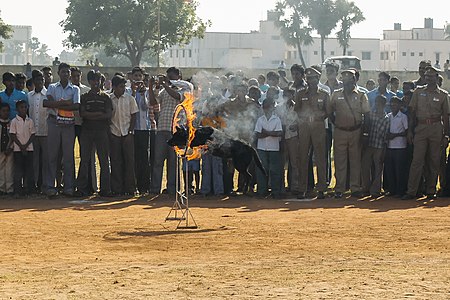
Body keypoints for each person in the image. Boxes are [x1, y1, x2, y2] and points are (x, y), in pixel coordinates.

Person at [402, 66, 449, 200]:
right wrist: (410, 131)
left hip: (436, 128)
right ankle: (412, 191)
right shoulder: (418, 92)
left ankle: (431, 190)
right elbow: (412, 112)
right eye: (426, 76)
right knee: (417, 160)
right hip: (421, 128)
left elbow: (446, 116)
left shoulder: (443, 95)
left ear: (437, 78)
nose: (428, 78)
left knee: (433, 161)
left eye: (431, 76)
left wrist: (446, 135)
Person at [327, 69, 370, 198]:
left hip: (356, 131)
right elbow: (329, 111)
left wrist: (365, 133)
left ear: (354, 80)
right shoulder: (335, 94)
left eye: (349, 80)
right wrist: (337, 124)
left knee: (355, 161)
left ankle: (355, 188)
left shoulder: (361, 95)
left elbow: (367, 114)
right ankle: (339, 188)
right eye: (344, 80)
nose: (346, 83)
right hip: (340, 131)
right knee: (340, 161)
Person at [149, 67, 193, 195]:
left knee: (173, 162)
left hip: (175, 131)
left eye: (172, 76)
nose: (170, 78)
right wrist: (151, 86)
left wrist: (165, 83)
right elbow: (153, 102)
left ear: (179, 75)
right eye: (168, 76)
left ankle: (173, 189)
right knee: (158, 161)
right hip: (162, 128)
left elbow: (178, 96)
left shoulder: (185, 88)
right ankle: (155, 189)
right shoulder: (164, 91)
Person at [43, 62, 80, 197]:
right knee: (52, 156)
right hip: (54, 123)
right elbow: (46, 103)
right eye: (63, 71)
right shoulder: (52, 87)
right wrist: (65, 103)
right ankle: (50, 186)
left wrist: (57, 104)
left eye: (67, 72)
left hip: (69, 124)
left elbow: (76, 106)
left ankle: (69, 187)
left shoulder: (75, 89)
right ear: (58, 73)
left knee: (68, 157)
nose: (66, 74)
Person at [295, 67, 329, 199]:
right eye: (308, 78)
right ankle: (302, 188)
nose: (310, 81)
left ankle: (321, 189)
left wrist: (318, 118)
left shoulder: (324, 94)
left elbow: (328, 111)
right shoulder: (300, 93)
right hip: (304, 127)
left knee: (320, 158)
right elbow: (297, 109)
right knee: (303, 157)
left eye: (313, 78)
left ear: (318, 78)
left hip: (318, 127)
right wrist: (304, 118)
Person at [77, 70, 112, 197]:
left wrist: (91, 115)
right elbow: (83, 114)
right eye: (93, 80)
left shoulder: (105, 97)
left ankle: (105, 189)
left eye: (98, 80)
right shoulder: (85, 97)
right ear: (89, 81)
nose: (96, 82)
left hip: (102, 131)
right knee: (85, 160)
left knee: (104, 160)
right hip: (87, 131)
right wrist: (99, 115)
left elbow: (108, 115)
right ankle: (82, 189)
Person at [109, 75, 138, 196]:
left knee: (129, 162)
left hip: (127, 133)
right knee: (115, 162)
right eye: (120, 87)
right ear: (114, 87)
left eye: (123, 86)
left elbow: (134, 116)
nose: (123, 89)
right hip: (114, 133)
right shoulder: (109, 99)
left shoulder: (130, 99)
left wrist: (130, 132)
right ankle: (117, 189)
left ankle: (130, 188)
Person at [254, 94, 283, 198]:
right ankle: (262, 191)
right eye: (266, 107)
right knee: (262, 170)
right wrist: (271, 133)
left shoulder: (277, 119)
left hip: (274, 148)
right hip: (262, 148)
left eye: (269, 107)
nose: (267, 109)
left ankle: (276, 192)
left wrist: (265, 132)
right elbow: (257, 135)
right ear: (263, 108)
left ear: (273, 107)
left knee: (274, 170)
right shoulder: (260, 119)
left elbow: (279, 133)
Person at [361, 95, 390, 198]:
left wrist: (384, 150)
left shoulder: (387, 119)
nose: (377, 105)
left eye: (379, 103)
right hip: (369, 144)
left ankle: (375, 190)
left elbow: (386, 137)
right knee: (365, 167)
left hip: (379, 146)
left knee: (378, 169)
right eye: (376, 102)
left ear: (384, 104)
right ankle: (366, 188)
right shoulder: (371, 115)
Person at [128, 66, 151, 195]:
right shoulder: (127, 90)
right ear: (131, 77)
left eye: (139, 76)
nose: (137, 78)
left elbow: (145, 106)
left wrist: (142, 94)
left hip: (143, 128)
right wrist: (133, 91)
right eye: (135, 76)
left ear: (143, 78)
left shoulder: (147, 91)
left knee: (144, 158)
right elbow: (129, 105)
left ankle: (144, 186)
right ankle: (133, 185)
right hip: (132, 128)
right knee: (133, 157)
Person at [28, 70, 49, 194]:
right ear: (34, 81)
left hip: (45, 131)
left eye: (41, 80)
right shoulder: (29, 96)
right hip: (33, 133)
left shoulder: (48, 94)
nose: (40, 82)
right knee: (34, 161)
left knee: (46, 160)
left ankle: (46, 185)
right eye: (37, 80)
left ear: (44, 81)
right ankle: (35, 185)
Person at [9, 100, 35, 197]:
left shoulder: (30, 121)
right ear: (17, 109)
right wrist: (21, 146)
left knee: (29, 170)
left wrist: (26, 145)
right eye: (21, 107)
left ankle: (29, 190)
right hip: (17, 149)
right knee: (18, 170)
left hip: (29, 148)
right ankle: (17, 191)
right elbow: (13, 135)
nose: (23, 109)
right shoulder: (14, 121)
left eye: (25, 107)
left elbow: (32, 134)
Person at [384, 96, 408, 197]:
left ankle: (400, 191)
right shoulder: (388, 116)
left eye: (395, 104)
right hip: (390, 146)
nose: (393, 105)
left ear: (400, 105)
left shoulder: (403, 117)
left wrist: (395, 135)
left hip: (400, 146)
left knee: (399, 170)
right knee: (390, 169)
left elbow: (406, 131)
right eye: (392, 104)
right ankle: (392, 190)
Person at [0, 103, 13, 195]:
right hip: (1, 149)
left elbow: (14, 137)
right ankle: (1, 188)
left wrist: (10, 147)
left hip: (9, 149)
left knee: (9, 169)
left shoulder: (12, 123)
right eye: (3, 111)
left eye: (7, 111)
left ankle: (9, 188)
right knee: (1, 169)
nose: (5, 113)